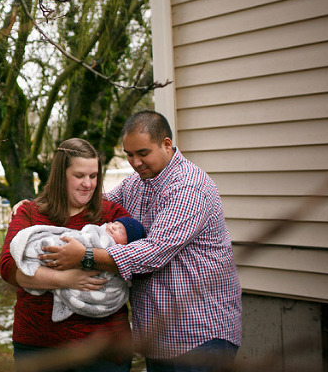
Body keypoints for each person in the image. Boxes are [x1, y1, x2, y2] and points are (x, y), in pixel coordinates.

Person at [40, 111, 242, 372]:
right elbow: (93, 204)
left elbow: (154, 252)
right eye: (129, 154)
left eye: (143, 153)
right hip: (158, 336)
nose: (135, 162)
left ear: (166, 145)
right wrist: (37, 206)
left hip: (199, 334)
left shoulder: (189, 187)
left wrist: (85, 256)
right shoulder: (136, 184)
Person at [0, 137, 136, 372]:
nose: (88, 184)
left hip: (103, 349)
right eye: (79, 175)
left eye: (93, 176)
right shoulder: (30, 212)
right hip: (39, 346)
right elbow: (9, 268)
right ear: (61, 175)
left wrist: (84, 255)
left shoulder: (112, 215)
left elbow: (135, 259)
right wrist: (67, 280)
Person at [10, 217, 145, 322]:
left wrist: (87, 256)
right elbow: (7, 269)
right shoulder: (28, 210)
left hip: (103, 343)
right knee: (49, 248)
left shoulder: (110, 210)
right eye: (113, 223)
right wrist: (64, 279)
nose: (113, 227)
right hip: (38, 337)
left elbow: (135, 261)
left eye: (121, 230)